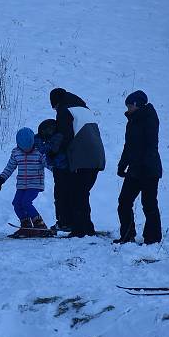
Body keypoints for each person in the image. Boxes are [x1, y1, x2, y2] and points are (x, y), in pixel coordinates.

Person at [49, 87, 106, 238]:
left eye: (54, 107)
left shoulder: (65, 110)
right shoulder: (83, 109)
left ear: (56, 102)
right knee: (82, 193)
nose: (55, 110)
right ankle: (86, 226)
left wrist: (53, 151)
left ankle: (81, 229)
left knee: (77, 193)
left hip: (83, 157)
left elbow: (64, 135)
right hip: (96, 155)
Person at [115, 90, 163, 245]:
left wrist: (145, 166)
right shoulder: (132, 121)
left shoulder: (149, 118)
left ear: (137, 104)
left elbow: (151, 146)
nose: (127, 109)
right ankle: (127, 235)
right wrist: (123, 164)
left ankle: (153, 238)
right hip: (135, 169)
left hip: (149, 169)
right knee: (124, 201)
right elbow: (129, 146)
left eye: (129, 105)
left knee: (148, 203)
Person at [0, 127, 49, 238]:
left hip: (35, 184)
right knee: (16, 203)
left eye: (29, 147)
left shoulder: (39, 151)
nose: (27, 150)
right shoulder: (16, 153)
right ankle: (26, 226)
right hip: (22, 185)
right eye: (24, 148)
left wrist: (59, 170)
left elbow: (48, 163)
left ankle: (40, 225)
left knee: (26, 202)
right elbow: (10, 167)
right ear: (19, 145)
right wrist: (1, 179)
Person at [37, 118, 72, 232]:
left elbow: (49, 150)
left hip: (62, 170)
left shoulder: (57, 137)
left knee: (61, 196)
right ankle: (64, 221)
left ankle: (64, 222)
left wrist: (38, 141)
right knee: (61, 196)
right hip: (61, 170)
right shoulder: (57, 136)